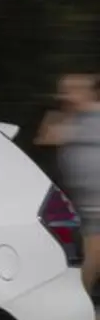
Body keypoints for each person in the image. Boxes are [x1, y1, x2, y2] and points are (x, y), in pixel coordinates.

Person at [36, 73, 100, 292]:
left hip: (94, 202)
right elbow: (45, 138)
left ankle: (82, 298)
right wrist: (69, 112)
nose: (64, 96)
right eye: (63, 91)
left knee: (92, 253)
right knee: (87, 255)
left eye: (71, 90)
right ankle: (81, 298)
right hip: (78, 202)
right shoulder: (65, 119)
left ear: (88, 92)